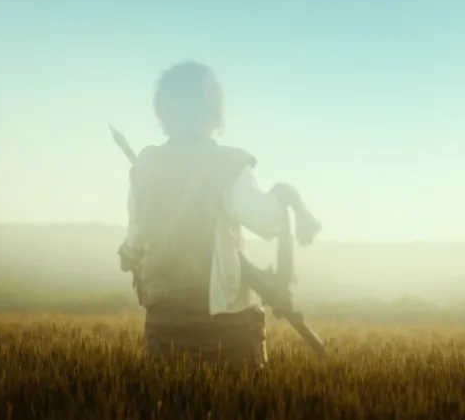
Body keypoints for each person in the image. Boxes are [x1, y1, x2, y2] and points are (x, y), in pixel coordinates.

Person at [116, 61, 321, 374]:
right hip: (225, 328)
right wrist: (285, 195)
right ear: (210, 107)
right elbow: (268, 222)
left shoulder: (146, 168)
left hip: (163, 321)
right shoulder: (226, 165)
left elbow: (136, 239)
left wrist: (129, 256)